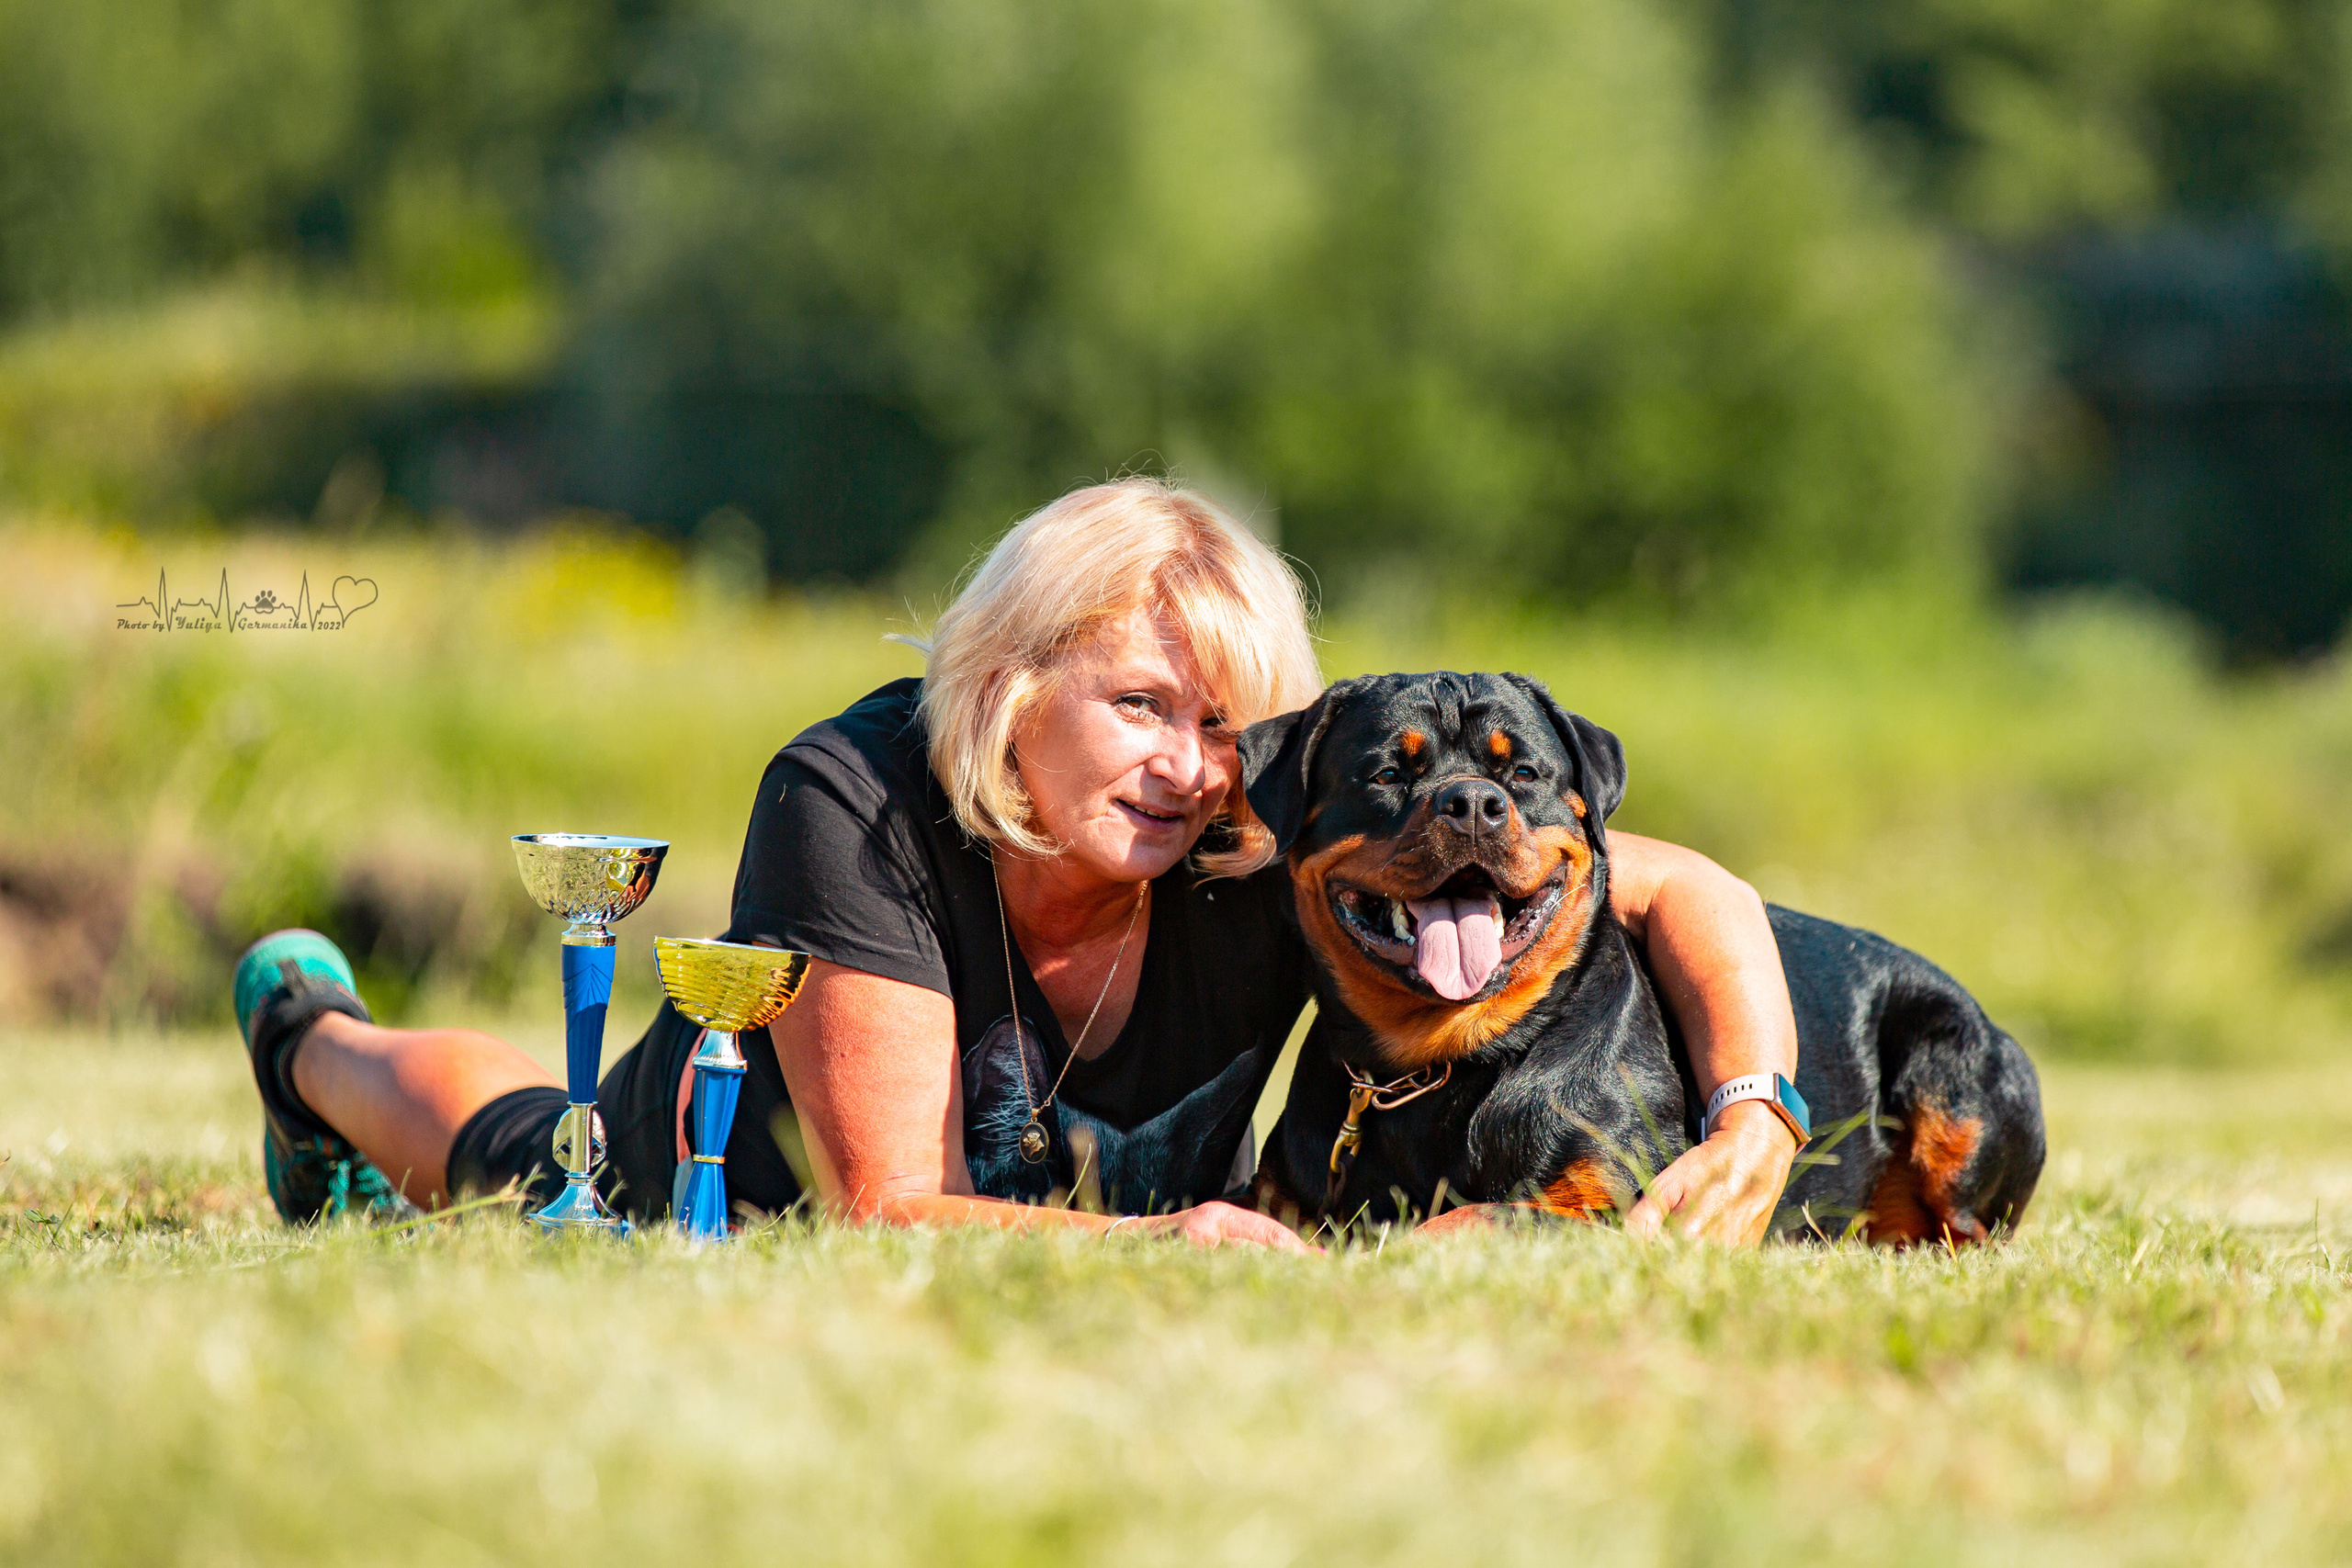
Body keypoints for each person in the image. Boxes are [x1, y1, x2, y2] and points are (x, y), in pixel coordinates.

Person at [231, 479, 1802, 1248]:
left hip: (1095, 1215)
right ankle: (310, 1043)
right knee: (516, 1140)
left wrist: (1759, 1111)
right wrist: (1167, 1249)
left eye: (1221, 722)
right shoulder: (850, 799)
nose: (1191, 766)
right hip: (707, 1175)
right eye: (1138, 705)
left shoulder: (1278, 827)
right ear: (1006, 685)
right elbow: (892, 1208)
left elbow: (1679, 886)